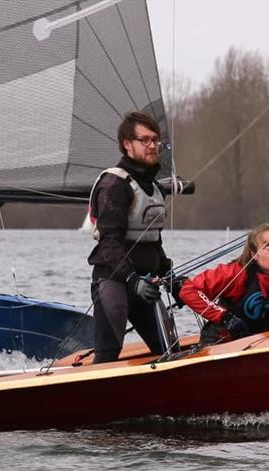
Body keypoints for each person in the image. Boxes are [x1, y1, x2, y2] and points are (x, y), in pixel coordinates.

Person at [88, 111, 174, 364]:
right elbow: (109, 245)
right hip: (115, 283)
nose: (152, 146)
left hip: (146, 286)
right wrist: (132, 279)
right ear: (127, 143)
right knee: (107, 357)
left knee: (170, 351)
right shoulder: (114, 185)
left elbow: (153, 243)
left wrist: (170, 275)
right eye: (145, 140)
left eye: (155, 140)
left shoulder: (155, 188)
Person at [179, 223, 269, 346]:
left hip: (263, 347)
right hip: (220, 345)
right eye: (268, 246)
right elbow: (189, 290)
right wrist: (224, 317)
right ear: (254, 254)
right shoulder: (235, 272)